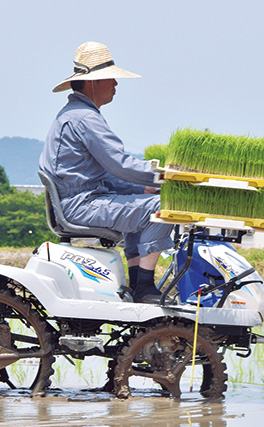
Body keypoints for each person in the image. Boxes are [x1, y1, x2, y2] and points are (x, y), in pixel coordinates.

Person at [39, 42, 173, 304]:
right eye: (111, 78)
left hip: (81, 200)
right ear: (93, 82)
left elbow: (106, 176)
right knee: (163, 206)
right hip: (82, 205)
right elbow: (120, 165)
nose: (116, 84)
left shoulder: (77, 115)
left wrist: (140, 188)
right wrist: (167, 176)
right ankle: (144, 287)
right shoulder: (84, 118)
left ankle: (139, 284)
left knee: (142, 204)